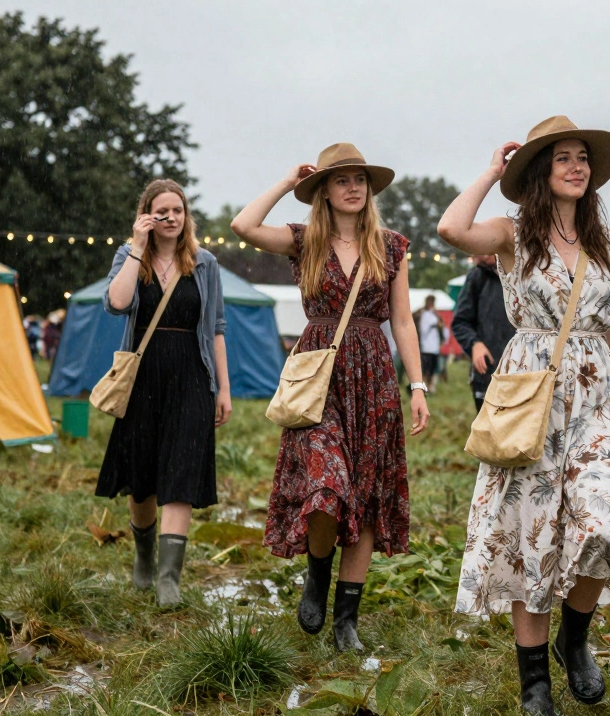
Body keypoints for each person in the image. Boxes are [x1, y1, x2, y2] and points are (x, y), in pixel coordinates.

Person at [437, 115, 610, 716]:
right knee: (532, 535)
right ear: (541, 171)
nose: (576, 166)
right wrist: (492, 170)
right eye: (563, 157)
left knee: (601, 527)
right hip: (534, 389)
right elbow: (451, 228)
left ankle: (575, 637)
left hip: (597, 399)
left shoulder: (606, 243)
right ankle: (535, 684)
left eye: (583, 158)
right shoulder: (514, 235)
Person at [231, 143, 431, 651]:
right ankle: (318, 573)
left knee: (363, 498)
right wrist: (286, 182)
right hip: (319, 372)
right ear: (322, 190)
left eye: (360, 179)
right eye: (341, 180)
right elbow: (243, 226)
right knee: (327, 484)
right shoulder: (304, 241)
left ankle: (347, 620)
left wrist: (419, 385)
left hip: (374, 377)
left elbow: (403, 321)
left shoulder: (391, 246)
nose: (353, 187)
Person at [98, 179, 232, 608]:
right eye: (162, 211)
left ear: (185, 215)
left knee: (181, 474)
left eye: (178, 210)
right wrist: (137, 246)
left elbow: (216, 328)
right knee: (142, 480)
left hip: (192, 376)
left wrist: (222, 388)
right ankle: (143, 557)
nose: (171, 217)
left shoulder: (205, 263)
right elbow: (116, 304)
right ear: (147, 215)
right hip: (142, 377)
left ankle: (169, 579)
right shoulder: (128, 256)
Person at [452, 254, 517, 411]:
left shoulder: (527, 272)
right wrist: (475, 344)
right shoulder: (477, 277)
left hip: (525, 373)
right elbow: (460, 321)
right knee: (489, 432)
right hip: (488, 372)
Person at [415, 294, 444, 393]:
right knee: (425, 369)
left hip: (434, 347)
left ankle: (430, 387)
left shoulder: (435, 314)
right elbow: (422, 329)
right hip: (425, 347)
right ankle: (424, 387)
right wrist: (434, 324)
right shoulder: (421, 314)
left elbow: (441, 328)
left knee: (432, 369)